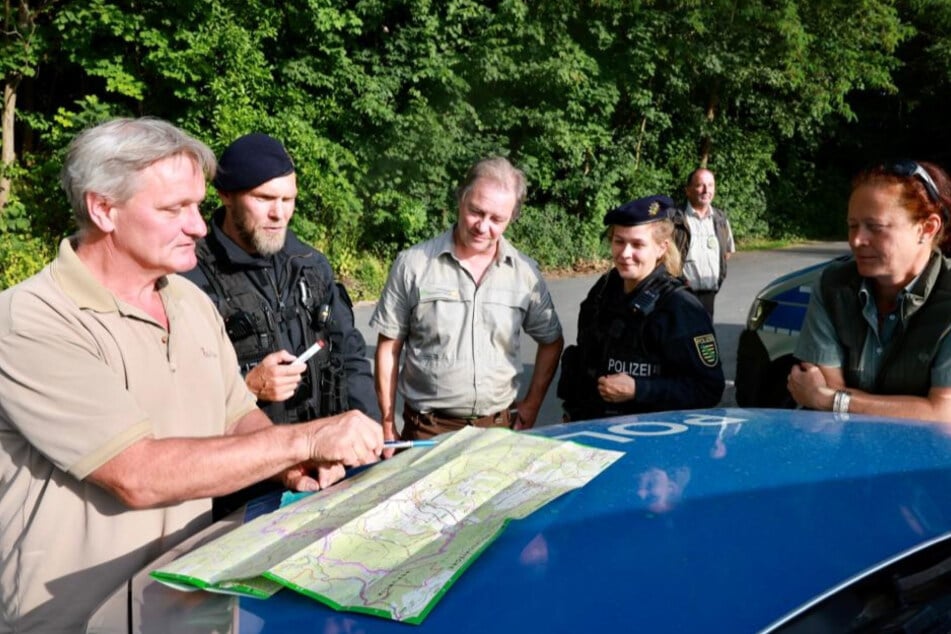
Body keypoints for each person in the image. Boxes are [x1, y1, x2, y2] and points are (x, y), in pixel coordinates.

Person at [0, 118, 383, 632]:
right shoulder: (31, 319)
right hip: (72, 617)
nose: (200, 227)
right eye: (173, 209)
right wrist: (304, 441)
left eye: (198, 207)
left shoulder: (189, 301)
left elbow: (235, 415)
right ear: (103, 209)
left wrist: (291, 469)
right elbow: (135, 474)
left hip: (183, 603)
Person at [182, 133, 379, 519]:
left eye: (288, 200)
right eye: (264, 199)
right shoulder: (188, 278)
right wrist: (248, 385)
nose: (279, 214)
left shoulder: (310, 264)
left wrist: (368, 436)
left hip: (327, 475)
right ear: (225, 195)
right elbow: (176, 401)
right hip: (239, 496)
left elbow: (351, 355)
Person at [370, 156, 564, 440]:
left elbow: (551, 341)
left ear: (512, 218)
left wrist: (532, 405)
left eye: (497, 219)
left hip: (498, 431)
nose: (483, 227)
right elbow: (389, 347)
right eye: (476, 211)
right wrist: (388, 424)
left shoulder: (524, 274)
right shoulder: (413, 264)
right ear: (461, 199)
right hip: (428, 431)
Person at [788, 160, 951, 422]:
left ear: (927, 228)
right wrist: (916, 407)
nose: (856, 240)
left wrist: (831, 400)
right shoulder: (833, 285)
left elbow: (943, 414)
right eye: (853, 225)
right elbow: (819, 391)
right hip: (849, 456)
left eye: (875, 227)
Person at [558, 195, 725, 421]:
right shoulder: (604, 289)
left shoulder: (680, 307)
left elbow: (708, 389)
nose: (625, 254)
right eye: (619, 241)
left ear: (661, 248)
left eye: (637, 244)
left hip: (650, 440)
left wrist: (639, 389)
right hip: (595, 431)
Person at [671, 168, 735, 317]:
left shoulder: (720, 218)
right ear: (688, 190)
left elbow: (727, 253)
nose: (706, 190)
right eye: (700, 185)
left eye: (711, 185)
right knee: (681, 337)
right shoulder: (674, 218)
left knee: (704, 338)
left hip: (709, 295)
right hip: (680, 294)